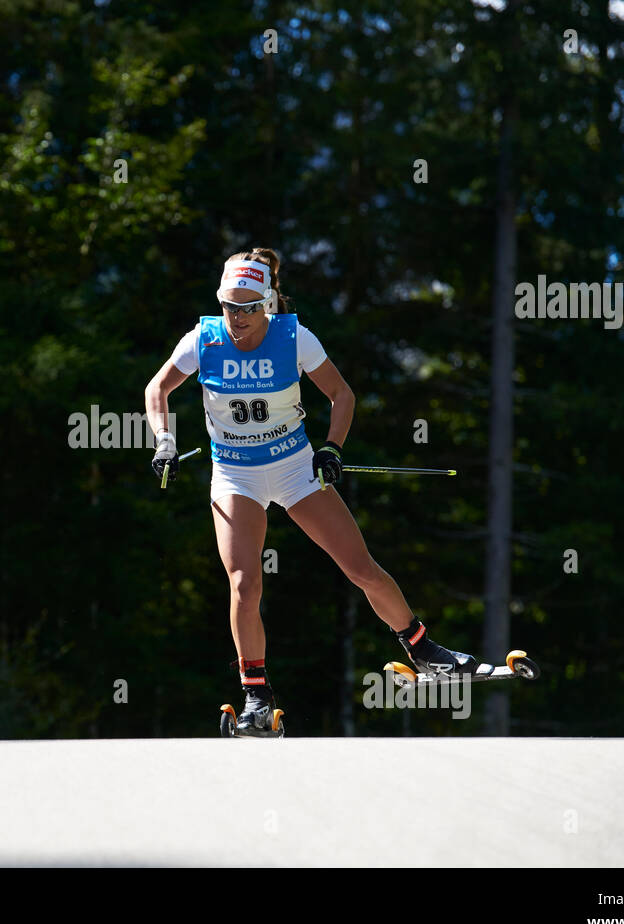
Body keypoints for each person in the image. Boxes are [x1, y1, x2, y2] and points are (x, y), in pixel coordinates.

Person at [143, 248, 479, 735]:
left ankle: (423, 648)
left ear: (268, 304)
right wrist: (165, 441)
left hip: (294, 468)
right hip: (235, 473)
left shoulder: (294, 337)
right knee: (243, 582)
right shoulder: (204, 339)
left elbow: (342, 395)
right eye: (229, 306)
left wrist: (332, 448)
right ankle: (256, 695)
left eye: (248, 307)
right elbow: (158, 389)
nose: (237, 318)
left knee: (360, 568)